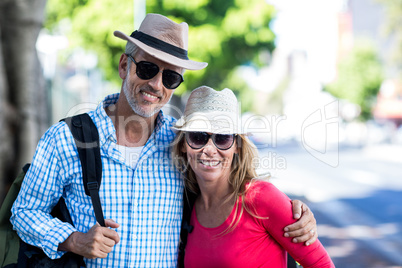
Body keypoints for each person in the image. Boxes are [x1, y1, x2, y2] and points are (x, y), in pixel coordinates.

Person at [11, 14, 317, 267]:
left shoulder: (184, 142)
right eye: (147, 68)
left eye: (170, 77)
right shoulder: (66, 138)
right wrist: (74, 240)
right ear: (123, 66)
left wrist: (294, 212)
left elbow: (233, 189)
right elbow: (24, 212)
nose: (156, 84)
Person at [172, 86, 335, 267]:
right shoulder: (186, 207)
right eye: (197, 137)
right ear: (183, 145)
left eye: (222, 138)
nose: (209, 149)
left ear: (237, 146)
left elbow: (321, 264)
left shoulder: (260, 197)